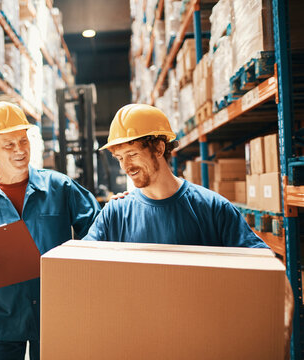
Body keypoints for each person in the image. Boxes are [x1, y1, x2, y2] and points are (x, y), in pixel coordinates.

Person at [83, 103, 293, 358]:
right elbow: (81, 272)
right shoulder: (114, 215)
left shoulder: (211, 208)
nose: (126, 166)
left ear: (159, 148)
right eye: (119, 158)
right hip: (138, 346)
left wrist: (275, 338)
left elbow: (270, 276)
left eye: (132, 154)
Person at [0, 101, 100, 360]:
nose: (19, 150)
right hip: (2, 318)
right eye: (9, 144)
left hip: (56, 314)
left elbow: (98, 227)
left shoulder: (59, 187)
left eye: (24, 140)